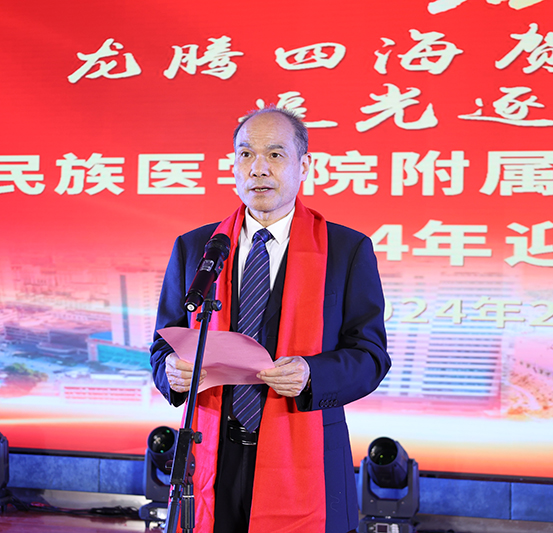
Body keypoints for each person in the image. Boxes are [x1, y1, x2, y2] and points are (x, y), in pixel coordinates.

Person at [150, 107, 390, 533]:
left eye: (275, 155)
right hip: (211, 455)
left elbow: (370, 356)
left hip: (305, 452)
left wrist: (312, 374)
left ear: (304, 165)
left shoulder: (346, 250)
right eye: (246, 154)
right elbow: (163, 346)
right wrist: (171, 371)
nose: (258, 168)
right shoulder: (198, 248)